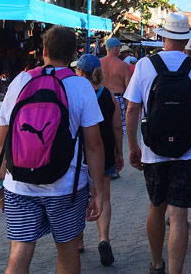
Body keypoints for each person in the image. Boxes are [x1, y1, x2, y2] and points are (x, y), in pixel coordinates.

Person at [0, 26, 105, 274]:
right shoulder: (81, 86)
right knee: (67, 251)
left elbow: (2, 141)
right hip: (66, 186)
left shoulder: (20, 81)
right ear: (73, 55)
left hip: (19, 184)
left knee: (19, 253)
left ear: (44, 50)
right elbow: (94, 144)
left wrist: (3, 183)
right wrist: (98, 190)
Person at [125, 12, 191, 274]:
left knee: (156, 208)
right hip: (187, 153)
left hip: (153, 152)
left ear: (163, 37)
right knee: (179, 216)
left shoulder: (144, 65)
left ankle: (157, 264)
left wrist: (133, 146)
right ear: (186, 40)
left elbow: (132, 110)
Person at [74, 54, 124, 266]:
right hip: (103, 152)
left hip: (78, 155)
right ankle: (104, 239)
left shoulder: (74, 94)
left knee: (77, 197)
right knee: (102, 196)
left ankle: (78, 241)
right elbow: (116, 127)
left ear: (80, 73)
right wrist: (119, 152)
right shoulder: (108, 95)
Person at [101, 37, 131, 135]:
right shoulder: (123, 66)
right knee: (117, 130)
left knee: (101, 127)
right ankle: (117, 150)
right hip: (117, 98)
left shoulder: (98, 62)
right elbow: (129, 89)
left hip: (100, 96)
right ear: (118, 48)